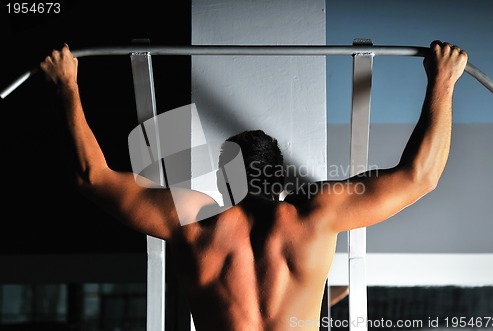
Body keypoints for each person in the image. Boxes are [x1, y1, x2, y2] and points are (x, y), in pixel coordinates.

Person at [40, 40, 467, 331]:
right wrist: (443, 81)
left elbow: (90, 176)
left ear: (225, 180)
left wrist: (67, 85)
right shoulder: (317, 216)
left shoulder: (195, 222)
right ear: (279, 178)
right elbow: (421, 176)